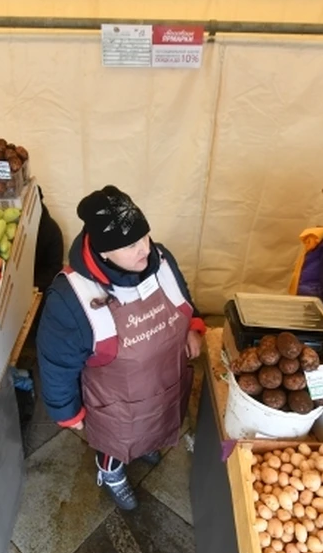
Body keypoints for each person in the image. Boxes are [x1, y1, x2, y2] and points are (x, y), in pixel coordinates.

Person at [36, 185, 205, 510]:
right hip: (116, 405)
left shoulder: (162, 259)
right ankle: (111, 472)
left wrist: (193, 327)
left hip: (165, 382)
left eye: (144, 237)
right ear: (103, 253)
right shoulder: (70, 296)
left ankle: (144, 445)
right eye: (130, 245)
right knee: (116, 442)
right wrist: (67, 413)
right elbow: (56, 364)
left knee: (154, 424)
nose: (144, 249)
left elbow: (183, 299)